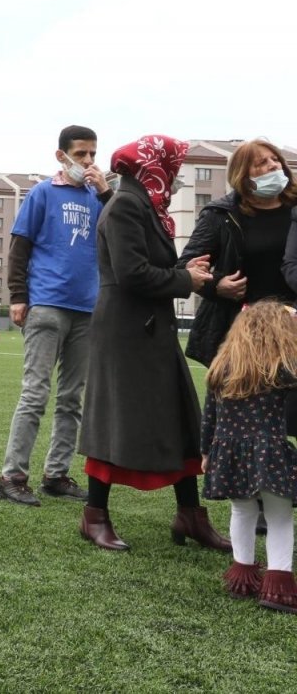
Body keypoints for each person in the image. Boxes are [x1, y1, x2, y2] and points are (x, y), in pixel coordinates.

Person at [76, 135, 230, 553]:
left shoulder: (144, 205)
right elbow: (132, 275)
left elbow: (149, 268)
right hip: (127, 332)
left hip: (147, 328)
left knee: (180, 417)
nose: (177, 175)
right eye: (174, 166)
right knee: (115, 419)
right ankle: (94, 516)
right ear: (153, 166)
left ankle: (190, 515)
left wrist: (185, 269)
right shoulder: (127, 204)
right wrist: (187, 280)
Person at [0, 126, 111, 508]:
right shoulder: (43, 193)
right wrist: (17, 296)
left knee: (73, 397)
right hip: (46, 305)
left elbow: (121, 233)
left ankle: (56, 474)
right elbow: (20, 247)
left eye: (93, 154)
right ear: (61, 156)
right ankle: (11, 476)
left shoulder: (99, 197)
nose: (89, 161)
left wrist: (106, 191)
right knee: (35, 393)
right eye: (81, 154)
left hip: (86, 309)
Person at [200, 301, 297, 611]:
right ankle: (278, 587)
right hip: (269, 452)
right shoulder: (280, 368)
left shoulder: (221, 368)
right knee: (279, 516)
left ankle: (243, 577)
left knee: (242, 512)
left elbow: (209, 416)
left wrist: (205, 452)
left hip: (228, 453)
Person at [181, 139, 297, 365]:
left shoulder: (294, 209)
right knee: (241, 398)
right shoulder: (220, 214)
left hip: (292, 327)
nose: (274, 166)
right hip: (240, 331)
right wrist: (217, 285)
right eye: (262, 163)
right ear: (243, 175)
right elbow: (186, 266)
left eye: (276, 160)